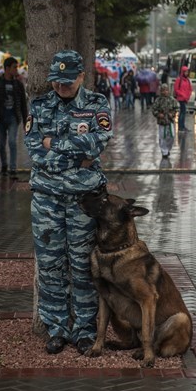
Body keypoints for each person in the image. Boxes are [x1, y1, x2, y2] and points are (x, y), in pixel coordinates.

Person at [24, 49, 113, 355]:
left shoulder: (96, 104)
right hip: (46, 201)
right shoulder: (39, 105)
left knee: (82, 266)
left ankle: (85, 330)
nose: (61, 87)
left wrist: (55, 145)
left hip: (83, 202)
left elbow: (98, 142)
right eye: (56, 82)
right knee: (51, 266)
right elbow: (34, 149)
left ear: (81, 76)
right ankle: (57, 328)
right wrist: (77, 159)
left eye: (67, 81)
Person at [0, 57, 28, 177]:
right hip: (0, 118)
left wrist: (26, 121)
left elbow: (23, 105)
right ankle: (4, 165)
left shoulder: (18, 84)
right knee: (1, 144)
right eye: (14, 67)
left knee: (12, 142)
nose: (17, 69)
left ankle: (13, 168)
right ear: (7, 68)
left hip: (13, 118)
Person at [152, 83, 178, 158]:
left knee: (172, 136)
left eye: (166, 90)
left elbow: (176, 108)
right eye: (163, 90)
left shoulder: (172, 99)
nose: (165, 92)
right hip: (162, 122)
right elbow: (154, 109)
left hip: (170, 121)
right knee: (162, 137)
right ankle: (164, 152)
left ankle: (168, 149)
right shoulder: (158, 100)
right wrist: (158, 114)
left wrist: (172, 114)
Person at [173, 65, 192, 131]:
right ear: (183, 72)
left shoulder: (187, 80)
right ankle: (181, 127)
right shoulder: (179, 79)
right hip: (181, 98)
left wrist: (188, 96)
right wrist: (183, 95)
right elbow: (176, 89)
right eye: (185, 72)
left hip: (185, 98)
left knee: (183, 112)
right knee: (182, 112)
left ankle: (182, 126)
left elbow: (190, 89)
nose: (187, 73)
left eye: (187, 72)